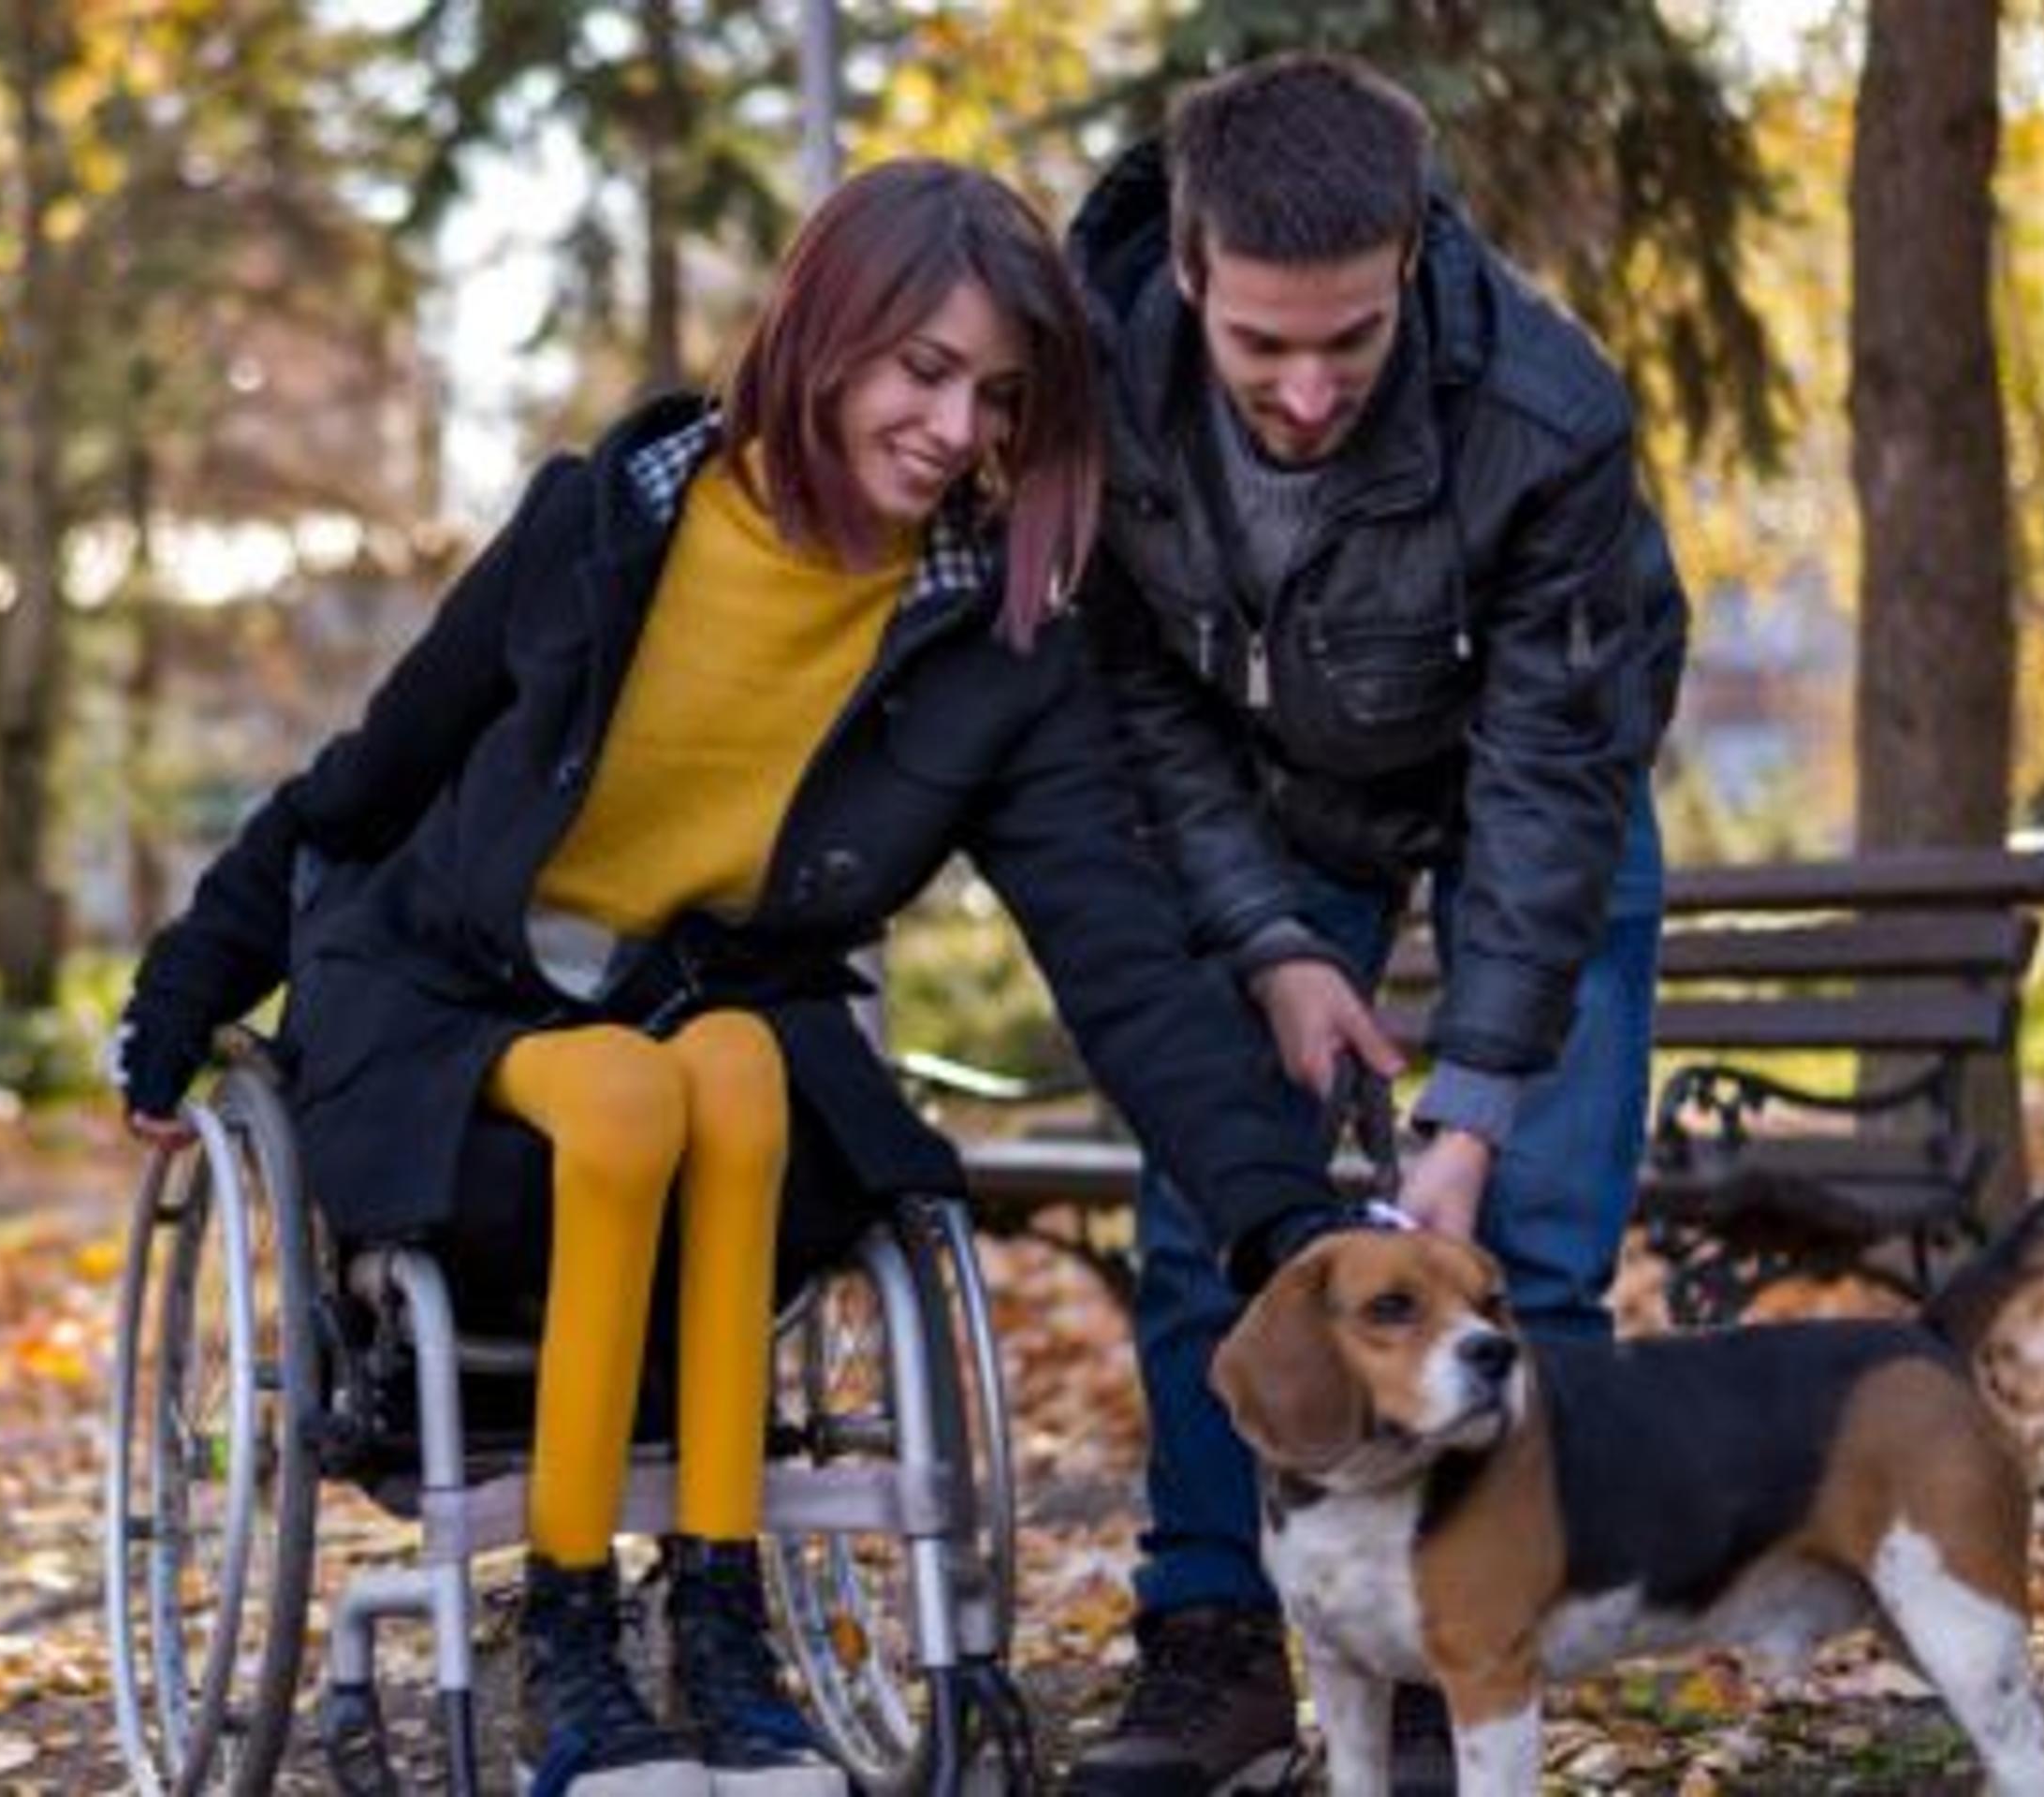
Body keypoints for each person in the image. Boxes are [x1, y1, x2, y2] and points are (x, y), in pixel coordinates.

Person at [114, 158, 1353, 1797]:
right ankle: (569, 1640)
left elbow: (1119, 961)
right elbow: (373, 776)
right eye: (923, 371)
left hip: (705, 1035)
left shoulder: (991, 650)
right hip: (448, 1026)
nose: (955, 430)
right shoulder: (604, 525)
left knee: (742, 1072)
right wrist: (187, 990)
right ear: (826, 333)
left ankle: (722, 1622)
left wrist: (1285, 1217)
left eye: (997, 396)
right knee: (635, 1096)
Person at [1055, 52, 1689, 1797]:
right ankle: (1209, 1643)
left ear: (1413, 257)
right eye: (1265, 346)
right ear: (1187, 271)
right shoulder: (1088, 388)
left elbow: (1551, 778)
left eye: (1353, 336)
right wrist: (1268, 937)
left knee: (1527, 1235)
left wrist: (1474, 1092)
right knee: (1217, 1217)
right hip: (1258, 794)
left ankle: (1451, 1660)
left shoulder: (1547, 414)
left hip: (1530, 779)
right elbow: (1137, 704)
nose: (1313, 389)